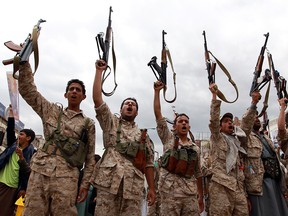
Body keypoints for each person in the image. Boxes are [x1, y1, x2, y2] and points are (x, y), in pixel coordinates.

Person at [18, 62, 96, 215]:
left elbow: (90, 157)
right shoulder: (51, 111)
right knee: (32, 212)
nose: (74, 91)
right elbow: (28, 91)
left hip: (67, 178)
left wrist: (85, 185)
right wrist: (24, 63)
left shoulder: (88, 124)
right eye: (71, 89)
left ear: (83, 96)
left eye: (78, 90)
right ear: (65, 94)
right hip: (40, 171)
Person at [91, 59, 156, 216]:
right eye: (127, 104)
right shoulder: (111, 123)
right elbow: (97, 100)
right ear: (120, 109)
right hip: (109, 184)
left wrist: (152, 189)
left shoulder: (144, 137)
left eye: (133, 105)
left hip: (132, 188)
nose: (130, 105)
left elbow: (148, 164)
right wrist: (99, 72)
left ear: (137, 112)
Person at [153, 80, 204, 216]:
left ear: (189, 127)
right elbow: (158, 115)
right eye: (180, 121)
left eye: (186, 122)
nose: (183, 123)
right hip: (169, 194)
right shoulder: (168, 139)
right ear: (174, 126)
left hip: (189, 195)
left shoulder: (195, 148)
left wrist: (200, 195)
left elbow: (198, 173)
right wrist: (157, 92)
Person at [240, 93, 288, 215]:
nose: (256, 118)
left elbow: (282, 132)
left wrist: (282, 108)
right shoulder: (245, 138)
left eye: (257, 116)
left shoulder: (266, 138)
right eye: (253, 116)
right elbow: (245, 125)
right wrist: (254, 104)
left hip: (275, 183)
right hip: (259, 187)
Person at [208, 83, 248, 216]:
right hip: (221, 188)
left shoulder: (237, 143)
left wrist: (244, 194)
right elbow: (213, 121)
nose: (230, 122)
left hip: (238, 189)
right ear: (220, 127)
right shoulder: (217, 138)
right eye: (225, 121)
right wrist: (214, 96)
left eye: (230, 121)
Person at [0, 105, 35, 216]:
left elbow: (28, 173)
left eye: (21, 134)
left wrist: (24, 188)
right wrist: (11, 115)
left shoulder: (31, 154)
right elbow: (10, 130)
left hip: (12, 188)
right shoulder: (13, 145)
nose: (18, 136)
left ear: (28, 138)